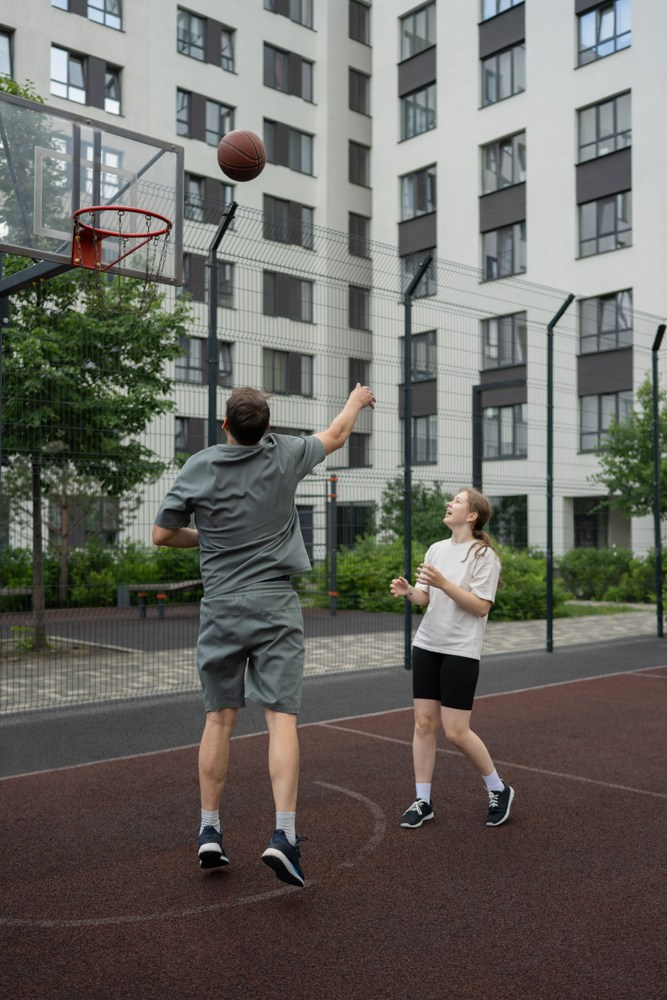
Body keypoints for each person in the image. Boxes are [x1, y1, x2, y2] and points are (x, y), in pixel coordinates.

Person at [152, 383, 375, 888]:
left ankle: (210, 830)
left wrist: (207, 535)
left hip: (222, 606)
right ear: (267, 428)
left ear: (224, 425)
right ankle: (284, 836)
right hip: (275, 604)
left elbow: (162, 534)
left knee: (218, 720)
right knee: (281, 721)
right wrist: (356, 400)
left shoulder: (199, 466)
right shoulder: (285, 454)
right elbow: (338, 434)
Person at [390, 487, 514, 830]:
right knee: (423, 724)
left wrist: (443, 583)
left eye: (457, 501)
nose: (450, 504)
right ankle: (423, 800)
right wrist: (409, 592)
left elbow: (480, 607)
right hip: (427, 644)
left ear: (472, 515)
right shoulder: (436, 549)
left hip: (460, 650)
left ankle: (499, 789)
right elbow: (425, 598)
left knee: (456, 732)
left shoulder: (483, 555)